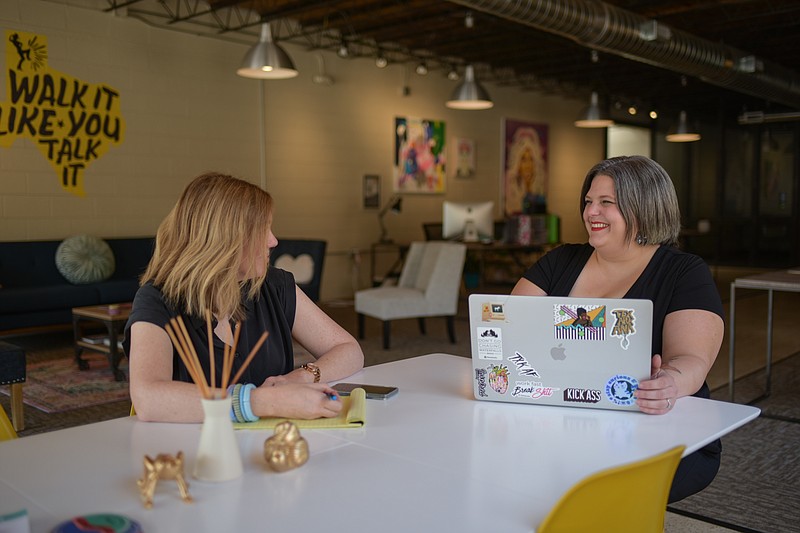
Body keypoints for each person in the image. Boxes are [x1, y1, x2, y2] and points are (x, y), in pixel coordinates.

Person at [511, 155, 724, 503]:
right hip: (557, 419)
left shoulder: (684, 272)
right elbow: (509, 328)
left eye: (606, 203)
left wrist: (668, 381)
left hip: (658, 431)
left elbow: (691, 360)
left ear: (644, 208)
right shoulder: (560, 260)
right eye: (588, 202)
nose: (591, 212)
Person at [123, 172, 364, 423]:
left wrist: (298, 378)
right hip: (194, 454)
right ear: (224, 238)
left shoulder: (275, 284)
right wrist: (265, 401)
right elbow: (148, 398)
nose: (273, 241)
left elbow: (349, 350)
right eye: (262, 230)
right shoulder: (156, 300)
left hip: (274, 448)